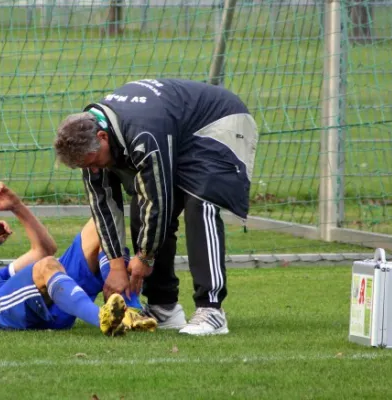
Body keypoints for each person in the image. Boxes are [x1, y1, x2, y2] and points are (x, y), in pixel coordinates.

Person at [54, 78, 258, 335]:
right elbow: (103, 207)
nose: (92, 170)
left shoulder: (142, 133)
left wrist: (144, 257)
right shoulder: (90, 149)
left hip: (219, 122)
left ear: (103, 137)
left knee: (201, 202)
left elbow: (159, 199)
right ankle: (164, 308)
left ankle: (211, 309)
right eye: (84, 166)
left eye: (93, 161)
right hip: (178, 130)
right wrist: (117, 267)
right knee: (142, 210)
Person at [0, 182, 157, 335]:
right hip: (1, 310)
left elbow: (44, 249)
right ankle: (102, 319)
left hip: (41, 302)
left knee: (101, 226)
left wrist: (17, 207)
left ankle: (131, 310)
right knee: (45, 267)